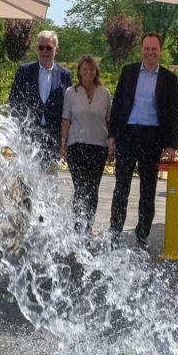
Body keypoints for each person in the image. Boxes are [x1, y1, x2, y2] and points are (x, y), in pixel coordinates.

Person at [108, 32, 178, 248]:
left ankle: (142, 237)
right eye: (146, 48)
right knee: (122, 187)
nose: (150, 52)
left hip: (153, 137)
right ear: (141, 50)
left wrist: (171, 143)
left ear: (160, 51)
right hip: (127, 135)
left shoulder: (169, 78)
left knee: (148, 190)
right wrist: (112, 135)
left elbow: (172, 112)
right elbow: (118, 103)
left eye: (154, 49)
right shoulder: (128, 72)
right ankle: (114, 233)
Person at [60, 55, 112, 233]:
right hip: (77, 145)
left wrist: (112, 146)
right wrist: (63, 144)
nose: (88, 72)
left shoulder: (104, 94)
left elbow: (108, 121)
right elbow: (66, 119)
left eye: (91, 69)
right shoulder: (70, 93)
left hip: (98, 146)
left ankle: (88, 227)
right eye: (84, 69)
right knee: (81, 188)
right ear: (80, 72)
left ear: (95, 71)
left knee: (92, 188)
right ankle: (77, 227)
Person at [8, 30, 72, 169]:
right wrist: (22, 124)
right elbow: (14, 100)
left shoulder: (65, 75)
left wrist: (64, 142)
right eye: (41, 47)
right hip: (28, 134)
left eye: (48, 47)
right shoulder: (25, 70)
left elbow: (69, 108)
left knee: (49, 179)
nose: (44, 51)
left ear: (56, 49)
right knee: (26, 178)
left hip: (52, 136)